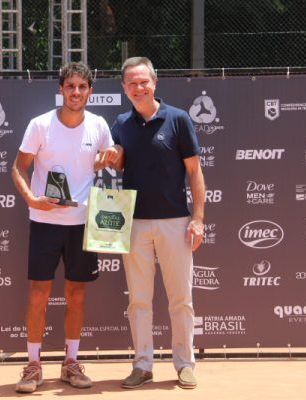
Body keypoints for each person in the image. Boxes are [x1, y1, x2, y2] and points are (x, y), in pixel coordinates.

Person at [11, 62, 122, 393]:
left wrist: (111, 155)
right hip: (45, 222)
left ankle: (70, 363)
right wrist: (31, 199)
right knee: (38, 295)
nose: (76, 92)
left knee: (76, 295)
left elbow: (111, 155)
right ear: (60, 89)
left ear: (90, 91)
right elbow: (18, 167)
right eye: (70, 86)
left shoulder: (99, 125)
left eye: (82, 87)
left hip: (83, 224)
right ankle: (33, 366)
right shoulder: (40, 125)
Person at [110, 57, 205, 389]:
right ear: (124, 88)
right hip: (133, 222)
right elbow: (118, 162)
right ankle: (143, 363)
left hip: (175, 222)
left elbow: (194, 172)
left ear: (154, 82)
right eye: (132, 83)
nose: (138, 88)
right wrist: (111, 154)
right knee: (138, 300)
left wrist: (198, 219)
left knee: (181, 298)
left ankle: (184, 363)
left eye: (143, 82)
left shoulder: (178, 119)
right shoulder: (120, 123)